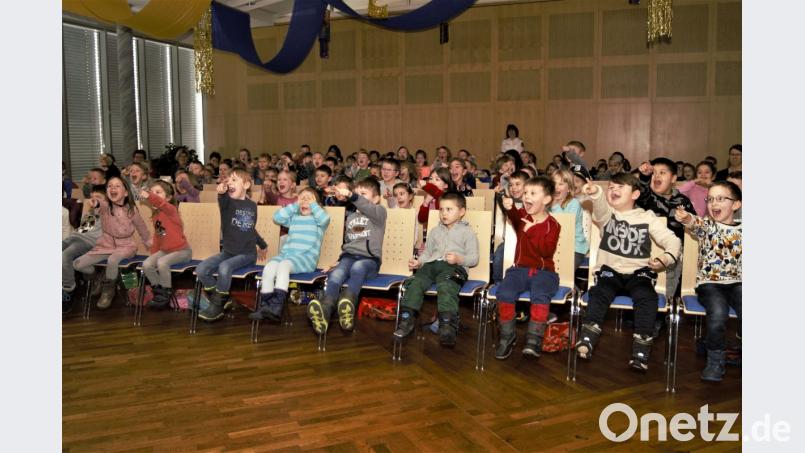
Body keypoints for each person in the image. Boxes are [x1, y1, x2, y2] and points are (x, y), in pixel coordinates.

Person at [574, 173, 681, 371]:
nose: (613, 190)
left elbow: (672, 240)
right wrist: (596, 192)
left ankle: (641, 351)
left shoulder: (647, 217)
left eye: (620, 187)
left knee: (647, 297)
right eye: (611, 187)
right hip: (610, 272)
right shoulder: (608, 215)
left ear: (635, 194)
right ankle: (587, 339)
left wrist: (665, 258)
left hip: (639, 272)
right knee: (599, 292)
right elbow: (600, 208)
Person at [674, 181, 742, 382]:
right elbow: (694, 224)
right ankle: (715, 360)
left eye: (721, 199)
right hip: (710, 284)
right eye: (710, 199)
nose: (714, 203)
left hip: (738, 282)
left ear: (736, 204)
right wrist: (686, 217)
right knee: (718, 312)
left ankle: (737, 346)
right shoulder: (708, 226)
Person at [394, 192, 480, 347]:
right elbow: (428, 253)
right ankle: (407, 320)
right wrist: (419, 262)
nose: (444, 213)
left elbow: (474, 258)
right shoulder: (435, 231)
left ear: (461, 212)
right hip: (432, 265)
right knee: (415, 282)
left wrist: (459, 259)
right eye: (441, 209)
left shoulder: (467, 232)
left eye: (449, 209)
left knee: (446, 286)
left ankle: (447, 327)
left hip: (454, 267)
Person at [307, 178, 387, 334]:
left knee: (358, 267)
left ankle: (348, 303)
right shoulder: (351, 217)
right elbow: (348, 244)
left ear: (376, 199)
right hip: (349, 257)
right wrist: (338, 261)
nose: (358, 197)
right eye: (357, 194)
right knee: (336, 275)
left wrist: (352, 195)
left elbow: (365, 205)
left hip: (369, 261)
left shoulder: (379, 214)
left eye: (363, 194)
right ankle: (326, 309)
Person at [495, 177, 560, 359]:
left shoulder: (553, 225)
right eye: (525, 193)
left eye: (532, 193)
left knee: (540, 295)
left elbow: (546, 251)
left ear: (546, 199)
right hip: (519, 270)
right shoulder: (522, 216)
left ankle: (534, 339)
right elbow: (515, 218)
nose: (526, 197)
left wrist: (532, 230)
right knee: (505, 293)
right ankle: (507, 336)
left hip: (544, 272)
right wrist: (508, 207)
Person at [196, 169, 269, 322]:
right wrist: (221, 193)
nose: (230, 183)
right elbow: (222, 197)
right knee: (201, 269)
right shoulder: (227, 202)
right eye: (229, 181)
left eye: (234, 180)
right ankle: (223, 299)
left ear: (246, 185)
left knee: (224, 267)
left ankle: (217, 306)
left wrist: (262, 244)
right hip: (228, 252)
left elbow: (250, 228)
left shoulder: (252, 206)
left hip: (247, 253)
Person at [250, 188, 330, 321]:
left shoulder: (318, 221)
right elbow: (277, 217)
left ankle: (276, 307)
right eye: (302, 198)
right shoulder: (295, 217)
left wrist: (314, 205)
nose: (305, 201)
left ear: (317, 205)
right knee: (269, 268)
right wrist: (295, 205)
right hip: (287, 256)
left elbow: (324, 219)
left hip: (306, 258)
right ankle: (265, 306)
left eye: (309, 199)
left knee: (283, 266)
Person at [72, 176, 152, 310]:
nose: (112, 188)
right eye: (109, 186)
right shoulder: (105, 206)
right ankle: (98, 278)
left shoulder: (132, 210)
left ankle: (108, 289)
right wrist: (94, 203)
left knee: (113, 261)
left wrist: (148, 241)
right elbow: (96, 209)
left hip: (125, 246)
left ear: (126, 192)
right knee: (77, 264)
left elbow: (142, 227)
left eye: (117, 186)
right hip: (105, 245)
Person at [635, 158, 697, 300]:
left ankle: (664, 311)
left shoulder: (683, 201)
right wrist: (644, 176)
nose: (656, 176)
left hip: (673, 253)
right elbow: (642, 191)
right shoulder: (647, 197)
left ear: (674, 178)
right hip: (646, 252)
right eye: (654, 173)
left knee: (669, 282)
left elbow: (694, 226)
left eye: (662, 173)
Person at [139, 180, 192, 310]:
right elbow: (158, 238)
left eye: (158, 192)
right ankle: (159, 291)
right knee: (146, 264)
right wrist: (153, 255)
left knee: (162, 263)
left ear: (168, 197)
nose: (154, 195)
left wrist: (150, 195)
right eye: (153, 192)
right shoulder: (156, 216)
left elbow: (161, 203)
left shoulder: (171, 210)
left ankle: (167, 292)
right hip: (165, 251)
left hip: (182, 251)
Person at [62, 185, 106, 314]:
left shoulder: (109, 213)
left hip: (90, 243)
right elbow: (83, 231)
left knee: (65, 256)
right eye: (92, 197)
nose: (94, 200)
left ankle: (69, 289)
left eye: (98, 197)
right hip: (78, 239)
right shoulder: (91, 213)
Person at [550, 169, 589, 271]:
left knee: (563, 271)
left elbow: (565, 226)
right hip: (554, 247)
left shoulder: (574, 203)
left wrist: (554, 205)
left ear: (569, 189)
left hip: (574, 248)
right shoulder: (547, 204)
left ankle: (568, 285)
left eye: (561, 184)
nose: (556, 187)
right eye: (554, 183)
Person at [417, 168, 456, 232]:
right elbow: (421, 219)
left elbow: (436, 192)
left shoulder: (447, 198)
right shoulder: (430, 197)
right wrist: (426, 203)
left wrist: (425, 185)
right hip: (432, 233)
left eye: (437, 179)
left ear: (446, 185)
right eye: (431, 178)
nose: (432, 181)